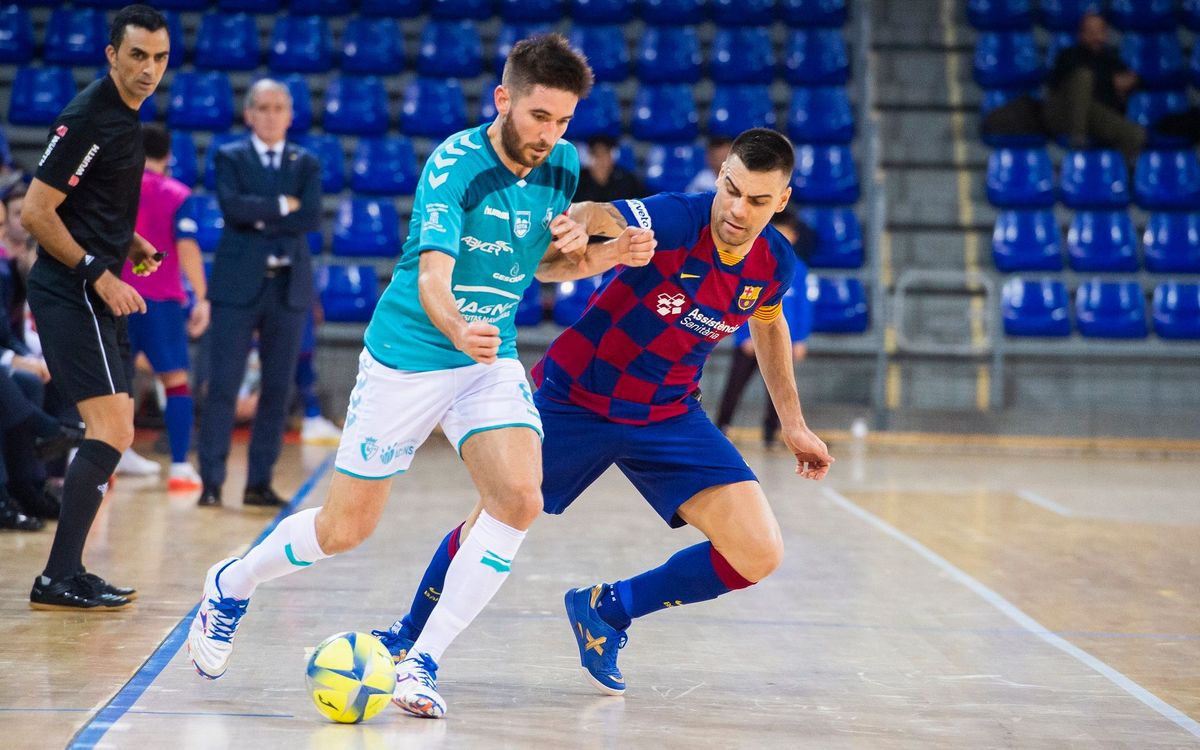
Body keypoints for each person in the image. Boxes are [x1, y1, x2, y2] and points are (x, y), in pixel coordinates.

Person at [185, 36, 645, 719]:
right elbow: (433, 275)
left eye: (563, 121)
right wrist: (458, 328)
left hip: (488, 361)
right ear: (504, 100)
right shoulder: (454, 165)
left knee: (520, 498)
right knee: (346, 530)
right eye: (539, 117)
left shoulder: (564, 166)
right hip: (411, 356)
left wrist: (608, 257)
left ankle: (421, 662)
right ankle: (232, 582)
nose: (551, 134)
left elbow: (538, 266)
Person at [370, 128, 833, 709]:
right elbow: (601, 213)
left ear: (782, 200)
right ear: (719, 178)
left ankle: (607, 610)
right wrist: (576, 222)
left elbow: (768, 323)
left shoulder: (774, 263)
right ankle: (406, 637)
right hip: (578, 398)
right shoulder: (676, 218)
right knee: (495, 517)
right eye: (731, 190)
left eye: (758, 201)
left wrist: (792, 422)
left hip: (667, 414)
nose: (738, 210)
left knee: (759, 552)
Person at [21, 5, 170, 610]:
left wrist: (125, 241)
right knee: (110, 429)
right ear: (112, 55)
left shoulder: (126, 119)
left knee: (115, 428)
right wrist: (99, 272)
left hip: (92, 285)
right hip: (70, 291)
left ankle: (67, 570)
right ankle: (56, 576)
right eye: (137, 56)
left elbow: (88, 200)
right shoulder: (88, 118)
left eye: (159, 58)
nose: (149, 69)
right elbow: (36, 212)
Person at [195, 79, 321, 508]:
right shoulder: (229, 156)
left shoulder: (305, 162)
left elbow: (310, 219)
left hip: (288, 288)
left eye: (278, 107)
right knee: (222, 386)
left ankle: (258, 483)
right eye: (262, 107)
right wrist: (283, 206)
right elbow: (234, 209)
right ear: (248, 114)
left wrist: (261, 214)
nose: (270, 115)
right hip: (236, 287)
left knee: (277, 388)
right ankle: (211, 482)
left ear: (290, 115)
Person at [120, 123, 208, 491]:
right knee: (175, 382)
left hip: (115, 295)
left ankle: (108, 458)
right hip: (161, 299)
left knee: (116, 382)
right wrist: (201, 297)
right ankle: (179, 466)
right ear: (168, 156)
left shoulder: (115, 187)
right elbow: (186, 246)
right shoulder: (177, 193)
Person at [715, 210, 813, 448]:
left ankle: (772, 433)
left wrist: (799, 339)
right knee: (734, 386)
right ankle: (721, 428)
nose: (782, 237)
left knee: (779, 388)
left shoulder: (799, 269)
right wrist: (743, 337)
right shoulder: (752, 263)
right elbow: (739, 302)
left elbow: (804, 306)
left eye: (786, 233)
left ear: (795, 237)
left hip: (782, 340)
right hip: (749, 341)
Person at [1044, 12, 1144, 164]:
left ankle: (1117, 178)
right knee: (1083, 77)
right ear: (1081, 34)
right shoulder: (1068, 56)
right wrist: (1111, 83)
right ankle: (1078, 139)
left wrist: (1132, 80)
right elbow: (1077, 78)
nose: (1096, 37)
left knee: (1136, 135)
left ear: (1105, 34)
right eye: (1091, 32)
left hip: (1095, 115)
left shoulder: (1110, 59)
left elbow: (1135, 80)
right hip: (1064, 115)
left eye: (1099, 32)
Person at [575, 135, 646, 203]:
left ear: (613, 156)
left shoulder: (627, 180)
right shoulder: (577, 180)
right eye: (597, 155)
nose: (601, 160)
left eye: (605, 154)